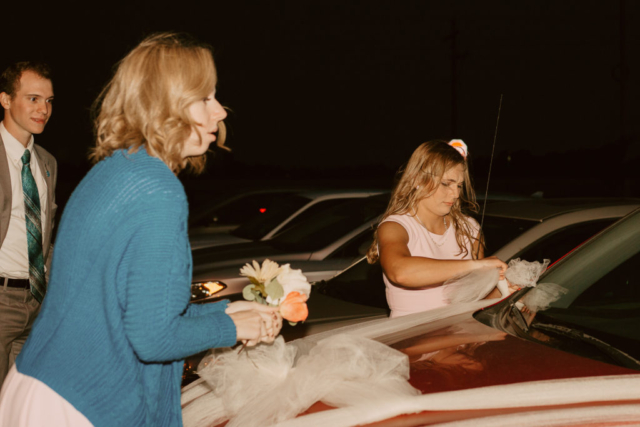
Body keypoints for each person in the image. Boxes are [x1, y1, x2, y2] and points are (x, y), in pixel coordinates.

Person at [0, 33, 282, 426]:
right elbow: (152, 338)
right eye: (205, 98)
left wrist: (228, 309)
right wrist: (231, 326)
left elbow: (137, 309)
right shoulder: (157, 190)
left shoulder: (118, 168)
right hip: (77, 404)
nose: (220, 112)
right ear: (166, 103)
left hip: (44, 384)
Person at [366, 140, 507, 317]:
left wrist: (505, 292)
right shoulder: (396, 226)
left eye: (459, 185)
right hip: (413, 332)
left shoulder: (469, 228)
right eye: (446, 184)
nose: (455, 194)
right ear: (417, 180)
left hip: (460, 331)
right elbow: (400, 272)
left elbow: (476, 298)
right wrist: (476, 265)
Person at [0, 61, 57, 388]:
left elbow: (46, 232)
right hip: (1, 298)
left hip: (36, 302)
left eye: (48, 101)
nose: (43, 109)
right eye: (33, 99)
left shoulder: (46, 162)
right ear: (6, 99)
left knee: (20, 401)